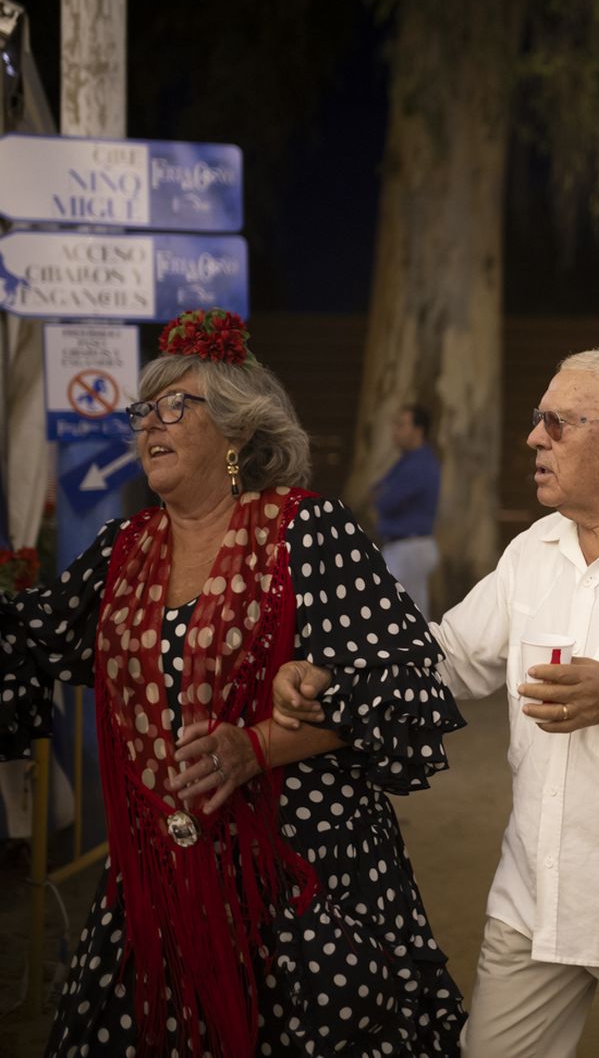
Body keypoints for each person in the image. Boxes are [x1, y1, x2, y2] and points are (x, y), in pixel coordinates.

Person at [279, 349, 599, 1057]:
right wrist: (334, 675)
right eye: (537, 419)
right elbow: (451, 659)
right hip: (533, 901)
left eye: (556, 421)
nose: (534, 438)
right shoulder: (535, 549)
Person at [0, 309, 467, 1055]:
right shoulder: (126, 547)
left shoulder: (307, 531)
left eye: (174, 405)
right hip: (158, 882)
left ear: (238, 430)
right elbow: (27, 637)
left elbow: (408, 688)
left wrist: (258, 743)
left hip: (298, 873)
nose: (150, 422)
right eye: (143, 409)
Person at [373, 402, 442, 617]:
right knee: (404, 613)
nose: (395, 431)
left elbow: (386, 500)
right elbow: (376, 491)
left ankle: (418, 651)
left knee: (405, 616)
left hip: (409, 548)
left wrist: (383, 494)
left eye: (402, 425)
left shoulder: (420, 464)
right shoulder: (406, 461)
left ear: (418, 430)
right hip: (401, 547)